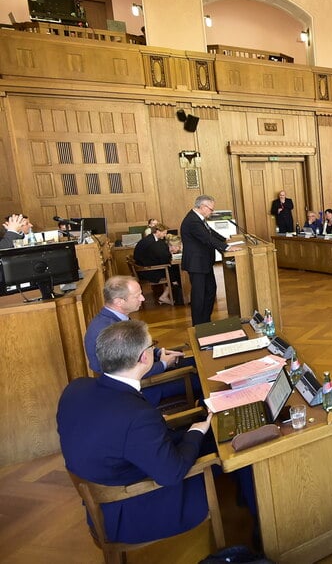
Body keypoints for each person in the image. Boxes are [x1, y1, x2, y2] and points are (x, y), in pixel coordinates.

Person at [58, 319, 215, 546]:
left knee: (204, 434)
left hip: (105, 492)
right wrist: (195, 433)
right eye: (152, 347)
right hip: (132, 510)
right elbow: (171, 474)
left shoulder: (76, 388)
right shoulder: (136, 415)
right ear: (144, 358)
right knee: (229, 446)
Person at [82, 276, 189, 406]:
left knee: (190, 361)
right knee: (198, 378)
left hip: (141, 371)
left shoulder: (116, 318)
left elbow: (137, 348)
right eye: (137, 296)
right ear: (119, 301)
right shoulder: (111, 330)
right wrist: (164, 365)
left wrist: (158, 353)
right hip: (136, 390)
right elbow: (126, 372)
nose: (143, 299)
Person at [181, 194, 238, 325]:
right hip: (197, 264)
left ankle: (206, 320)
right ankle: (198, 324)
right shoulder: (192, 221)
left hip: (203, 262)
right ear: (202, 206)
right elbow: (207, 238)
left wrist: (225, 240)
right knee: (199, 295)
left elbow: (210, 232)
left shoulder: (198, 218)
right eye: (211, 209)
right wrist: (226, 247)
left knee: (210, 291)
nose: (212, 212)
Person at [132, 222, 179, 305]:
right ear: (158, 232)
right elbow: (159, 255)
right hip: (146, 271)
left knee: (171, 268)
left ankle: (172, 290)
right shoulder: (151, 242)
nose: (165, 235)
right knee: (173, 270)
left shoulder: (152, 239)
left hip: (145, 266)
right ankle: (169, 293)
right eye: (164, 233)